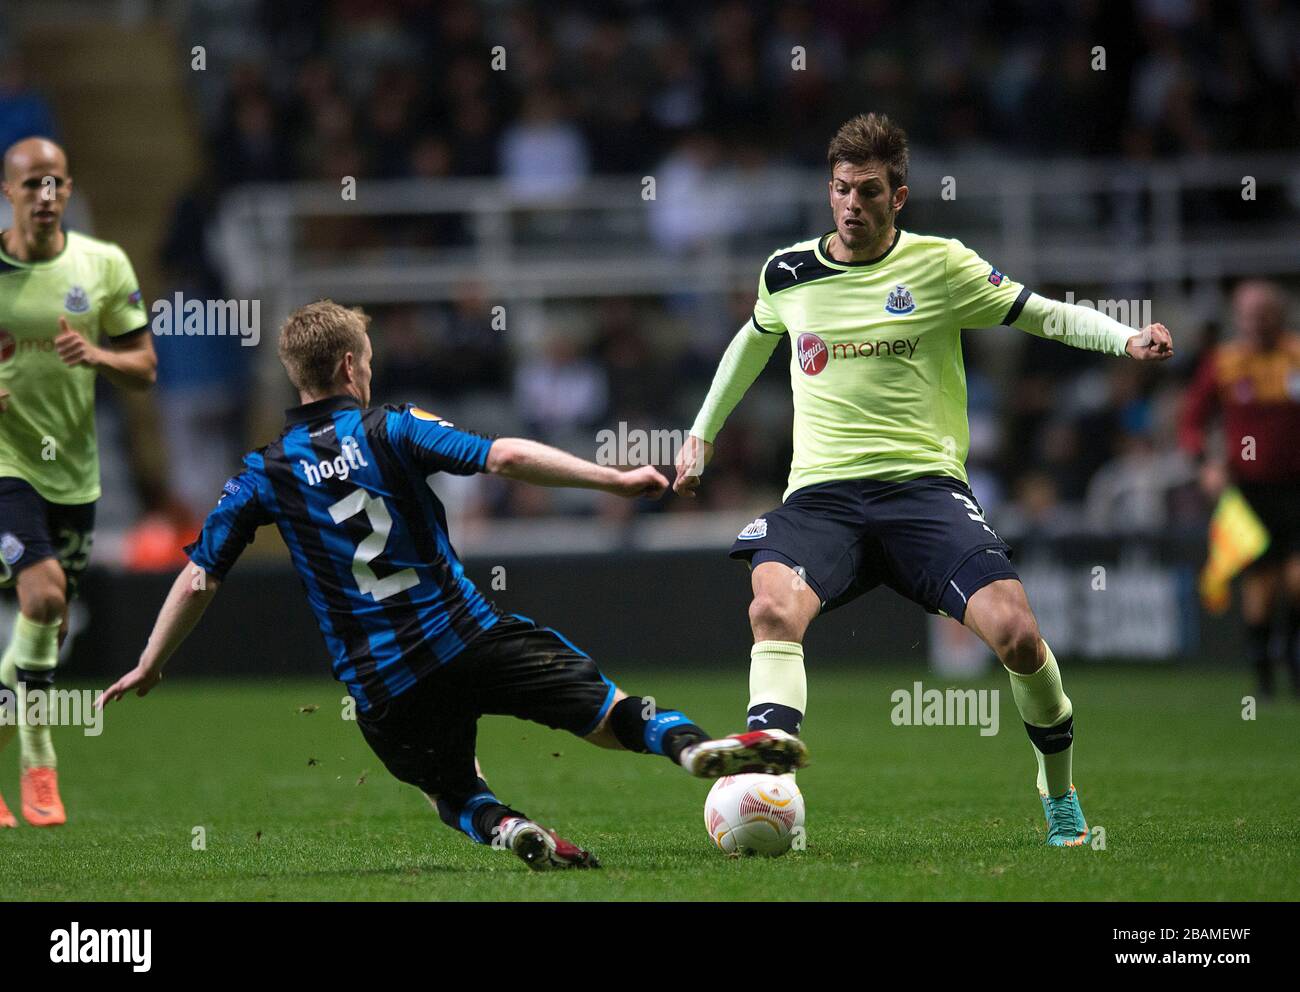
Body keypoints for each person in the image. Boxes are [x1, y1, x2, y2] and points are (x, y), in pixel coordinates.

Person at [100, 300, 806, 870]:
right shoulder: (394, 428)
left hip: (383, 687)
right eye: (368, 363)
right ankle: (687, 748)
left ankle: (507, 829)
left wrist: (151, 662)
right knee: (607, 711)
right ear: (351, 365)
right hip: (468, 639)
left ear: (300, 376)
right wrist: (612, 477)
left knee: (449, 787)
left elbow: (197, 577)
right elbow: (503, 456)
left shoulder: (263, 471)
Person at [674, 113, 1173, 847]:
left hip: (924, 491)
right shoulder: (788, 272)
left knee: (1017, 636)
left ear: (898, 197)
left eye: (869, 191)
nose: (852, 205)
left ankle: (1058, 789)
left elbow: (1040, 315)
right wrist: (700, 434)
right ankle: (767, 776)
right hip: (822, 496)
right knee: (772, 610)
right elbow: (751, 344)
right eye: (841, 189)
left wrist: (1123, 336)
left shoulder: (941, 266)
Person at [0, 137, 156, 828]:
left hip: (75, 475)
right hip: (5, 466)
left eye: (56, 182)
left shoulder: (103, 263)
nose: (45, 195)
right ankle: (39, 758)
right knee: (43, 595)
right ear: (8, 191)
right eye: (32, 183)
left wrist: (93, 352)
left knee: (50, 628)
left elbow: (146, 366)